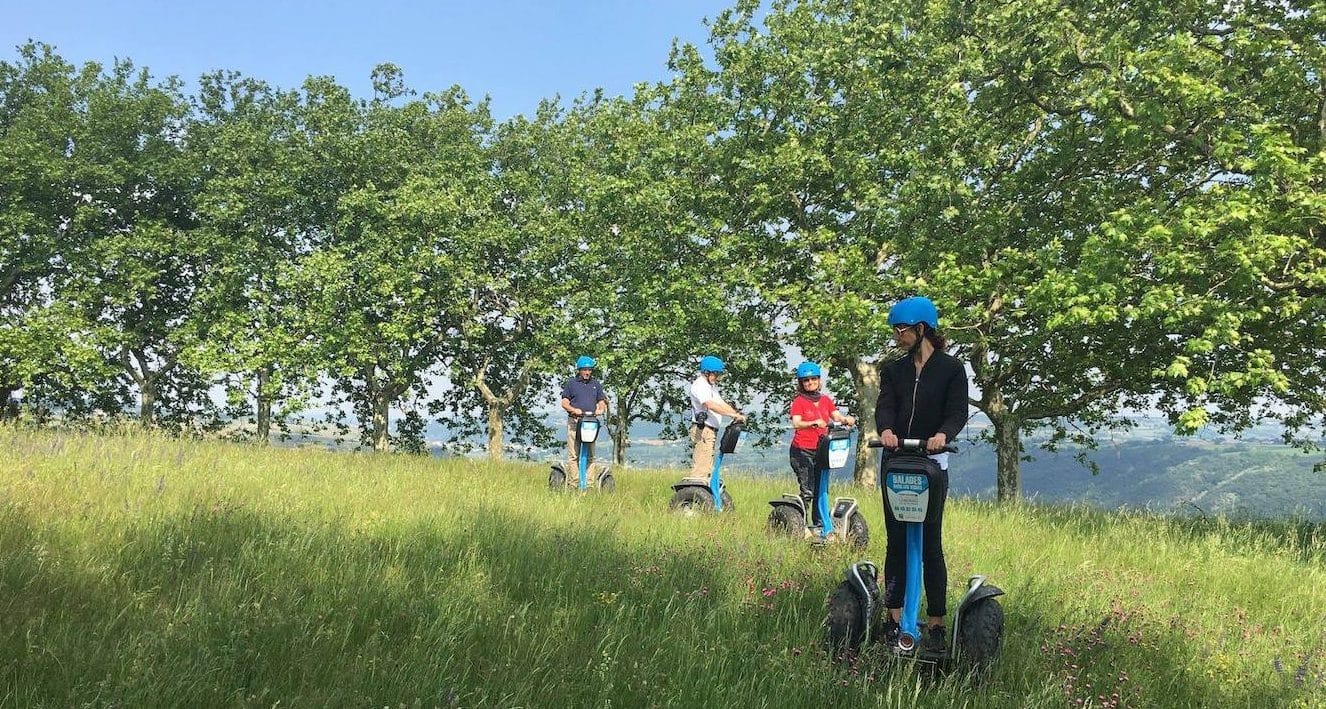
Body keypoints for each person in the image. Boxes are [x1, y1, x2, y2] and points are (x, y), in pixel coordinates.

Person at [873, 296, 968, 655]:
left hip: (931, 463)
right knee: (896, 541)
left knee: (930, 544)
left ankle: (937, 622)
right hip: (897, 461)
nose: (897, 335)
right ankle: (894, 618)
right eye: (896, 329)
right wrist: (885, 429)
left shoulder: (951, 369)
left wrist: (944, 434)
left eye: (902, 329)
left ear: (922, 329)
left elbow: (957, 411)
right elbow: (886, 405)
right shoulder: (893, 370)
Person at [788, 361, 855, 532]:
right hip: (802, 451)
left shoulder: (825, 400)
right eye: (806, 380)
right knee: (808, 489)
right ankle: (799, 527)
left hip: (822, 450)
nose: (810, 382)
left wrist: (846, 419)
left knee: (821, 488)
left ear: (819, 380)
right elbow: (797, 423)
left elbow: (836, 415)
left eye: (813, 379)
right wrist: (813, 423)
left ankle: (819, 524)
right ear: (801, 383)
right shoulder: (799, 402)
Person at [688, 355, 746, 478]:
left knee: (707, 467)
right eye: (716, 374)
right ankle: (694, 494)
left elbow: (721, 403)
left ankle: (704, 493)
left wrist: (736, 415)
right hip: (703, 430)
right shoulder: (700, 385)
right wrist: (732, 414)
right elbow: (710, 404)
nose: (718, 377)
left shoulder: (710, 386)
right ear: (706, 372)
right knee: (701, 469)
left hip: (710, 431)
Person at [560, 355, 608, 475]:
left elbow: (601, 402)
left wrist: (601, 409)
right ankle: (574, 484)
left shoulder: (596, 384)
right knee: (574, 455)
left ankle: (589, 485)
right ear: (579, 370)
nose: (587, 372)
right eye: (585, 370)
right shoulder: (571, 384)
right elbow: (564, 402)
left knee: (591, 456)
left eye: (590, 370)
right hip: (575, 422)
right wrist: (574, 409)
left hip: (590, 422)